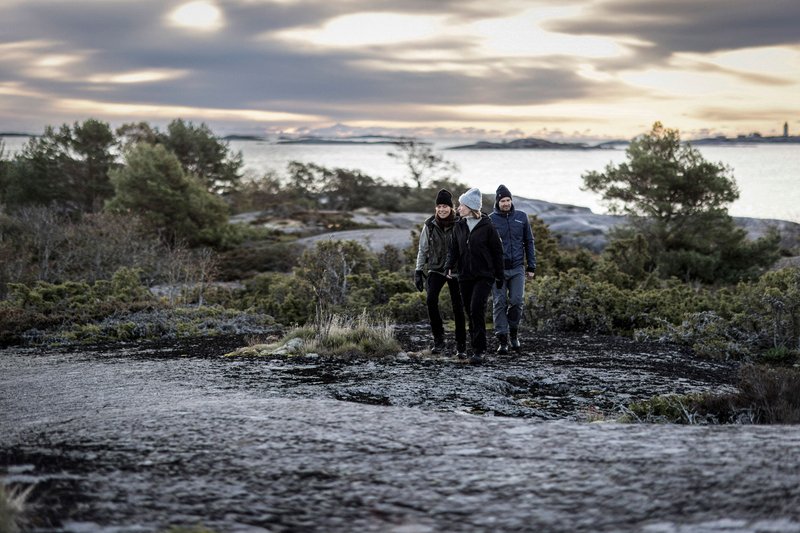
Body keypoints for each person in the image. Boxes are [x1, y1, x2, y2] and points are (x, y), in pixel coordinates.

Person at [445, 187, 504, 364]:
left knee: (477, 308)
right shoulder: (459, 225)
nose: (458, 208)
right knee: (470, 311)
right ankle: (474, 347)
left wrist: (499, 275)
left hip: (484, 275)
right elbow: (453, 249)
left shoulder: (488, 226)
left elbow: (497, 252)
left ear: (470, 207)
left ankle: (479, 350)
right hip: (465, 275)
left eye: (461, 205)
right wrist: (449, 265)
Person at [414, 189, 467, 357]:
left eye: (445, 206)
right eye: (439, 206)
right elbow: (423, 249)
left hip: (456, 270)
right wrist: (418, 270)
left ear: (451, 208)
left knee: (458, 307)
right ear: (435, 208)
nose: (442, 209)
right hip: (436, 269)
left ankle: (461, 345)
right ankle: (439, 340)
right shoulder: (429, 224)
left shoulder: (460, 223)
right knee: (430, 301)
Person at [490, 184, 536, 354]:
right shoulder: (490, 220)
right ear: (498, 202)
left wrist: (531, 265)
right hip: (498, 270)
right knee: (499, 302)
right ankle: (502, 340)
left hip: (517, 268)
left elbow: (529, 241)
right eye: (503, 200)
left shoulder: (521, 217)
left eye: (508, 200)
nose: (506, 203)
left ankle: (514, 333)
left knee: (517, 301)